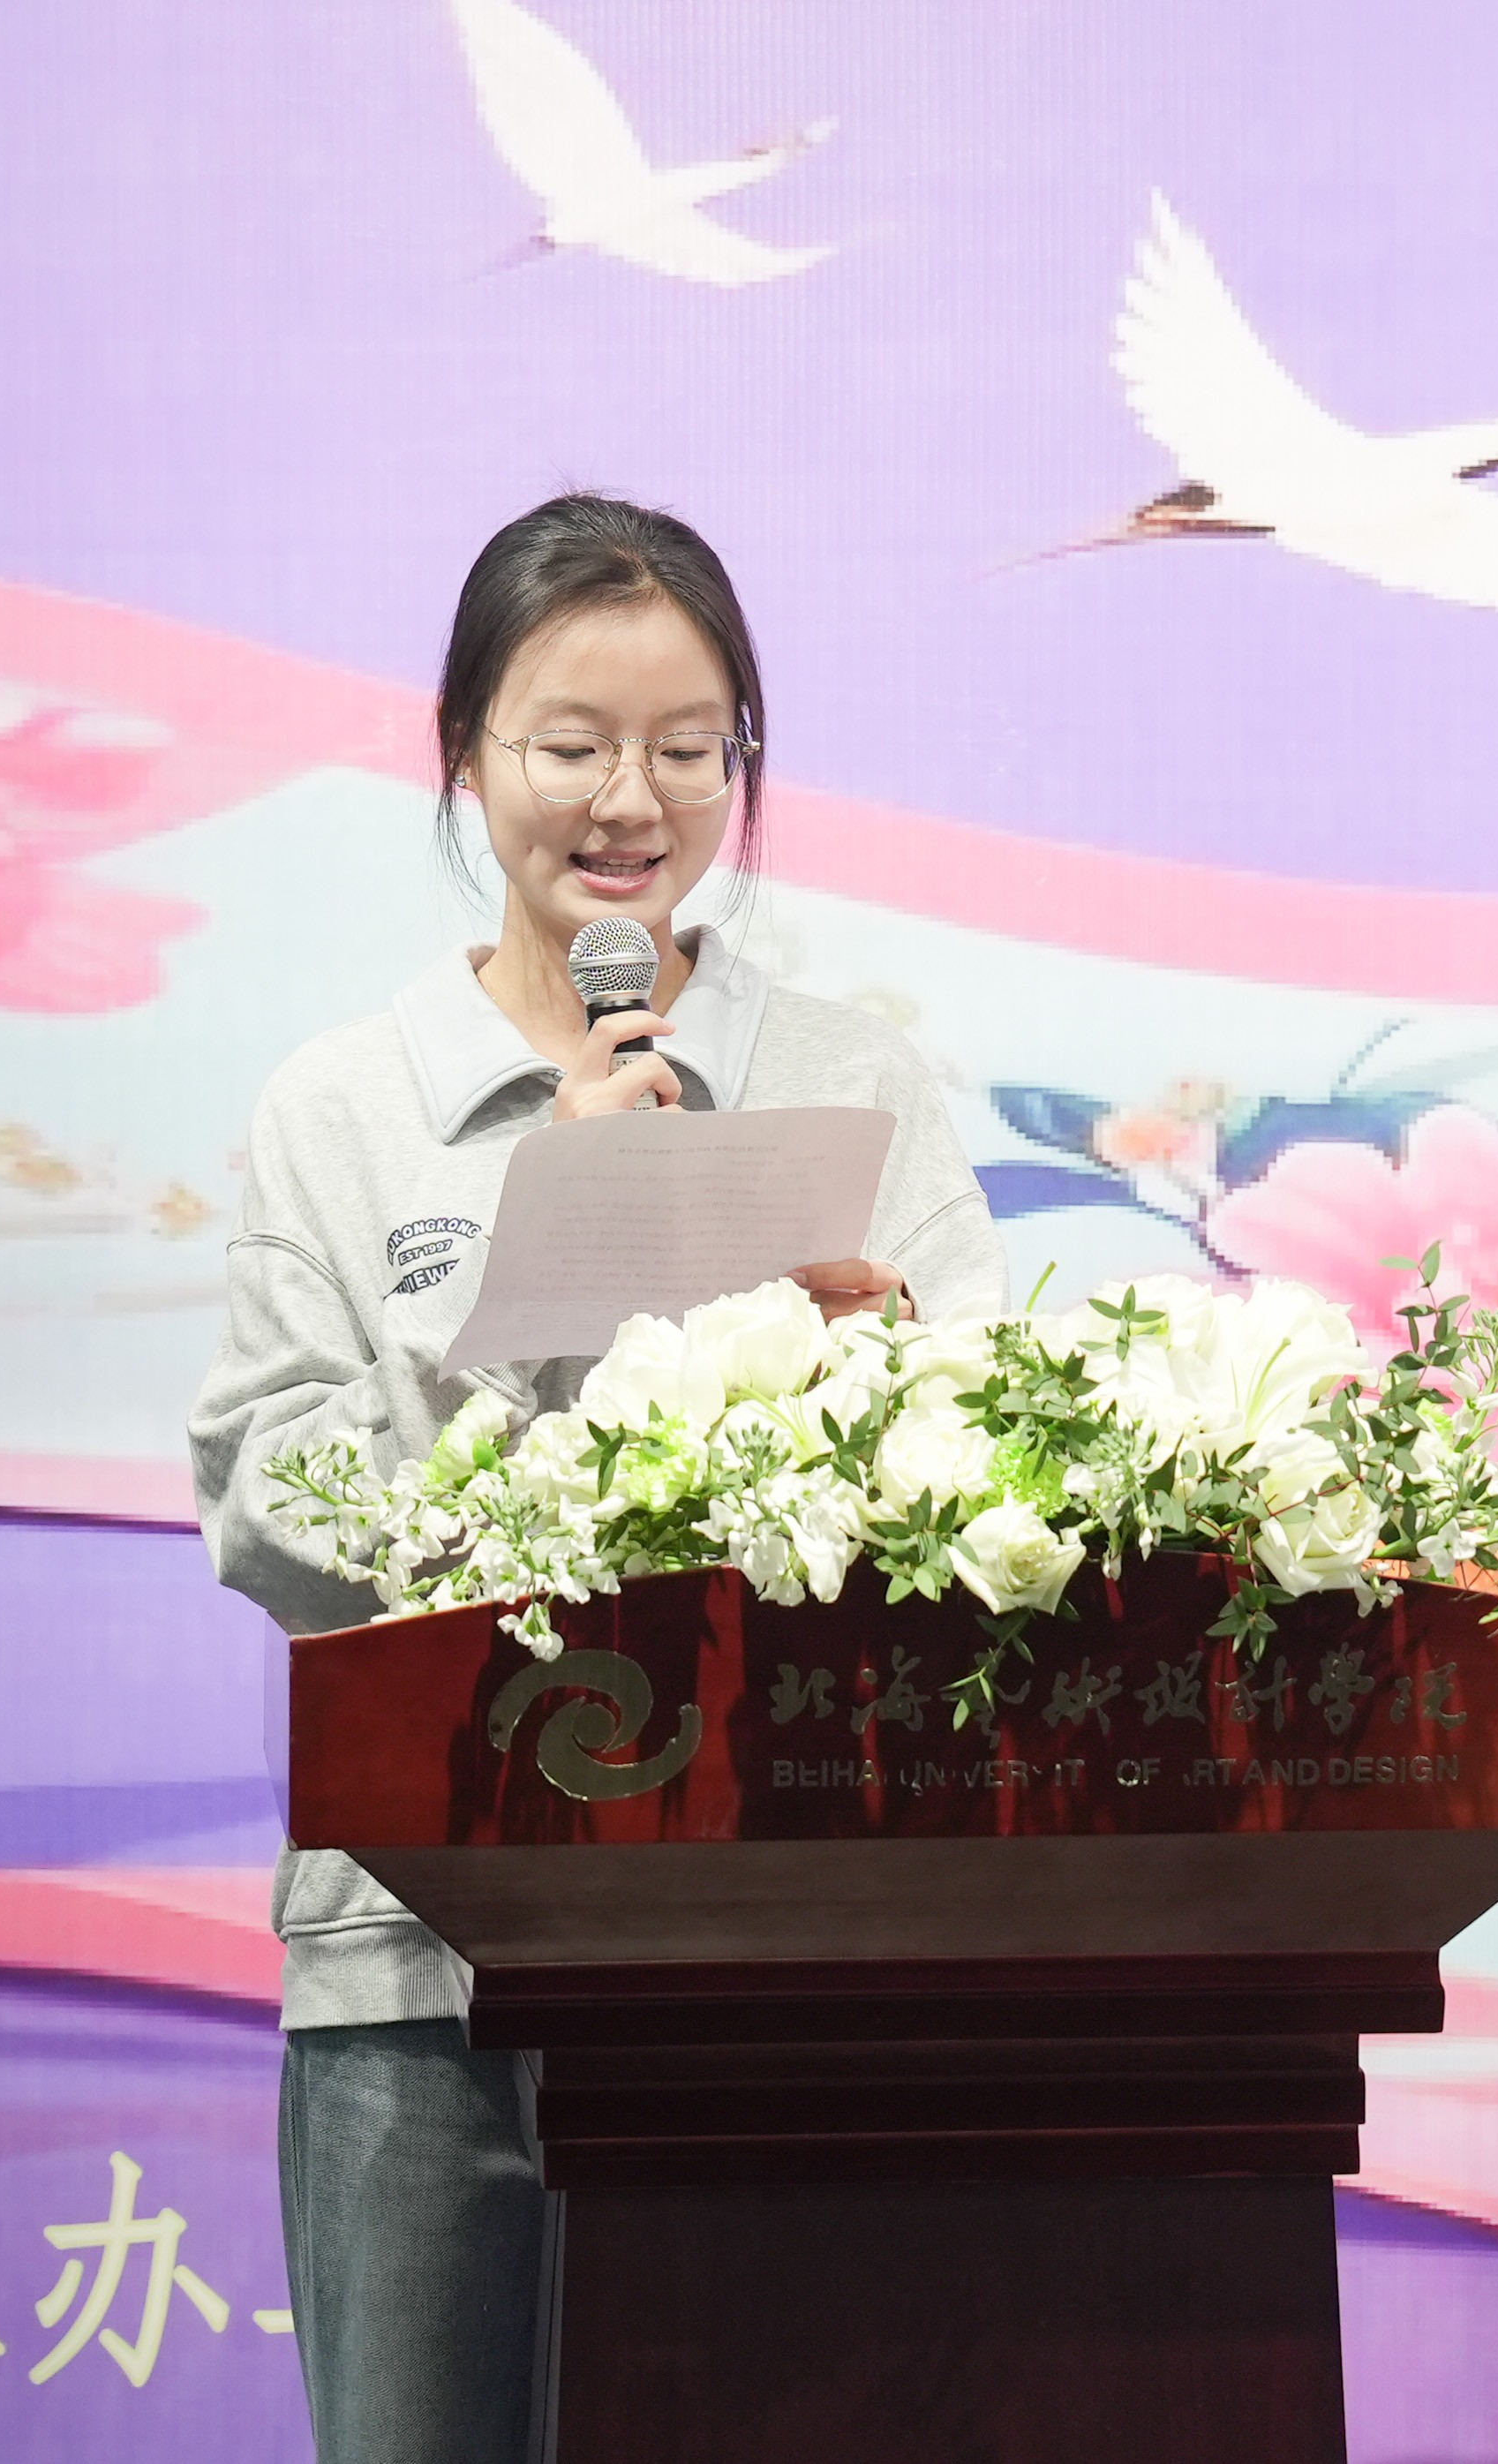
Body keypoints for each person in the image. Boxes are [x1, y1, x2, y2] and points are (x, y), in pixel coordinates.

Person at [186, 493, 1006, 2462]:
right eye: (570, 743)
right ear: (466, 754)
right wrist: (531, 1269)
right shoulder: (343, 1109)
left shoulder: (855, 1087)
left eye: (687, 747)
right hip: (422, 1964)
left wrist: (883, 1393)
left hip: (789, 1956)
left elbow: (1007, 1477)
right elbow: (274, 1515)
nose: (629, 801)